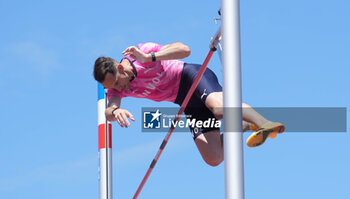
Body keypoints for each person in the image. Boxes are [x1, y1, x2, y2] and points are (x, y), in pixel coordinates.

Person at [93, 42, 284, 167]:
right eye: (113, 87)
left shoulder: (141, 53)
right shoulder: (117, 89)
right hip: (185, 101)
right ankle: (243, 125)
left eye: (117, 82)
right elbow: (108, 110)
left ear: (120, 68)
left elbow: (185, 50)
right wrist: (115, 111)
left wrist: (149, 57)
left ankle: (264, 123)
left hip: (190, 77)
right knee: (214, 157)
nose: (120, 88)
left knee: (218, 107)